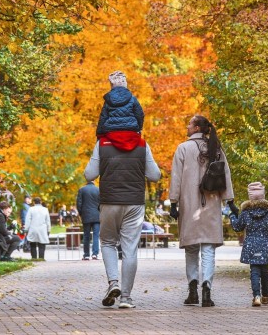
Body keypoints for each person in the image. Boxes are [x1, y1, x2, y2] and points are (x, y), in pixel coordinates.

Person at [84, 129, 161, 309]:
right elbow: (155, 175)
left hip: (109, 202)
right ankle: (126, 297)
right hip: (134, 203)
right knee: (130, 249)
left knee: (108, 242)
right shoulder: (142, 144)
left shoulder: (102, 144)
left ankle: (113, 282)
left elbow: (89, 175)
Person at [169, 115, 235, 307]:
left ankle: (192, 291)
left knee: (191, 249)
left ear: (196, 127)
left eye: (189, 123)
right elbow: (226, 175)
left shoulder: (183, 148)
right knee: (208, 250)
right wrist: (230, 201)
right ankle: (207, 289)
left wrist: (173, 202)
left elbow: (176, 178)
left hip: (190, 206)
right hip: (211, 204)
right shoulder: (216, 148)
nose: (186, 126)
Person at [229, 182, 268, 307]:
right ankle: (265, 295)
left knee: (254, 271)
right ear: (263, 196)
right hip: (266, 244)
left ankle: (257, 296)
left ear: (250, 197)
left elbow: (238, 227)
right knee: (264, 271)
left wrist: (232, 216)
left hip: (251, 245)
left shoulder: (246, 213)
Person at [96, 70, 144, 137]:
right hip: (131, 130)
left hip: (111, 131)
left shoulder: (108, 100)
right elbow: (140, 115)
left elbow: (103, 117)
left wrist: (99, 134)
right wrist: (139, 128)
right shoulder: (133, 99)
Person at [76, 179, 101, 260]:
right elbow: (101, 203)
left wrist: (81, 213)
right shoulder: (98, 190)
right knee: (96, 235)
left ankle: (86, 254)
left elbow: (79, 203)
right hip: (97, 216)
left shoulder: (82, 190)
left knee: (86, 236)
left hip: (86, 215)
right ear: (94, 181)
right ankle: (95, 254)